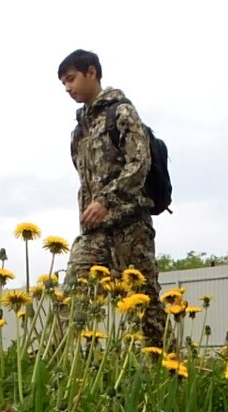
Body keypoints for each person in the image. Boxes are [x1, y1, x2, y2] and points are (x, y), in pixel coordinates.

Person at [58, 49, 166, 348]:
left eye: (71, 79)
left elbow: (139, 164)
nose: (68, 88)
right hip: (94, 234)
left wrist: (106, 200)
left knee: (146, 308)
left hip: (130, 228)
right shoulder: (80, 130)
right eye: (63, 84)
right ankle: (71, 374)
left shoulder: (121, 113)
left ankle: (169, 374)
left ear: (91, 72)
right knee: (69, 301)